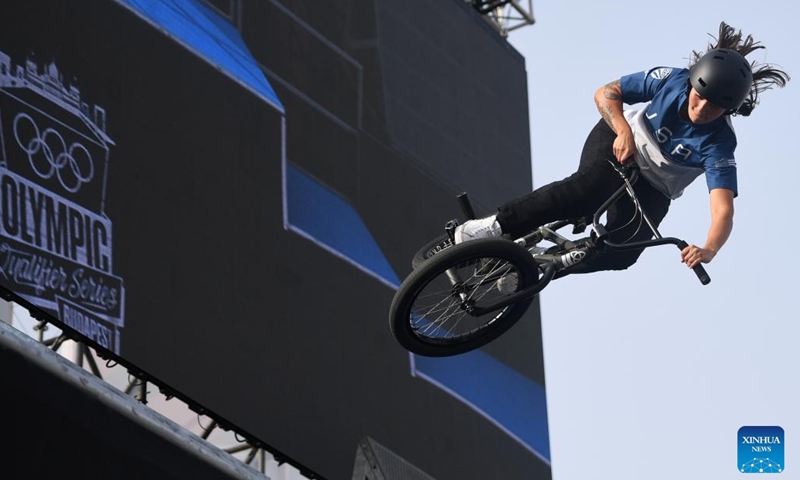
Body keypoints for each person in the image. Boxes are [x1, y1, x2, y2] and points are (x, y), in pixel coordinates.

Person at [455, 21, 789, 276]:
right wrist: (623, 130)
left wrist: (709, 249)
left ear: (728, 111)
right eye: (698, 96)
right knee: (588, 187)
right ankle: (493, 226)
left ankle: (533, 270)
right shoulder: (670, 80)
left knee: (625, 252)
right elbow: (606, 93)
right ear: (691, 82)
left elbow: (723, 210)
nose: (701, 109)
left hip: (654, 188)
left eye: (714, 107)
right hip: (620, 143)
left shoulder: (720, 144)